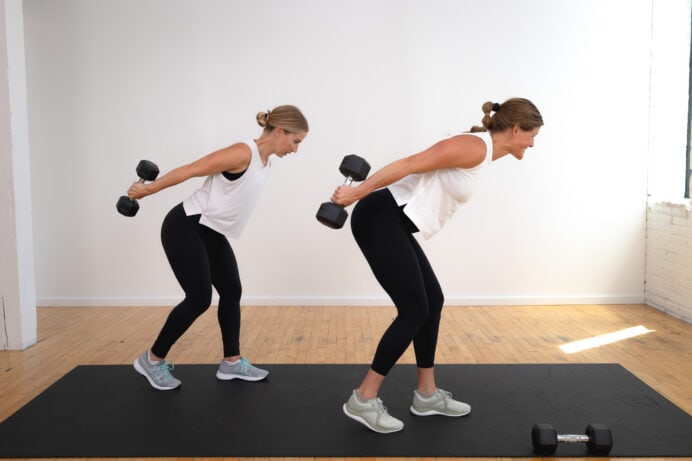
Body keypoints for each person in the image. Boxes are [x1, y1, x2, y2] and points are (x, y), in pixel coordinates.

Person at [332, 98, 543, 433]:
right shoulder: (474, 146)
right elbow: (411, 163)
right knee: (414, 309)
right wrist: (357, 193)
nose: (533, 143)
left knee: (433, 300)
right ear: (516, 129)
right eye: (531, 135)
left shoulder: (482, 153)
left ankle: (426, 395)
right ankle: (363, 398)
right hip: (380, 217)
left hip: (394, 223)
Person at [129, 105, 309, 390]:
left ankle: (231, 362)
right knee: (199, 298)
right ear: (279, 131)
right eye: (296, 141)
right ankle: (151, 360)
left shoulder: (265, 161)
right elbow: (191, 170)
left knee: (231, 290)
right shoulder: (242, 153)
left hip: (211, 230)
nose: (296, 149)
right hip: (186, 225)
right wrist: (147, 190)